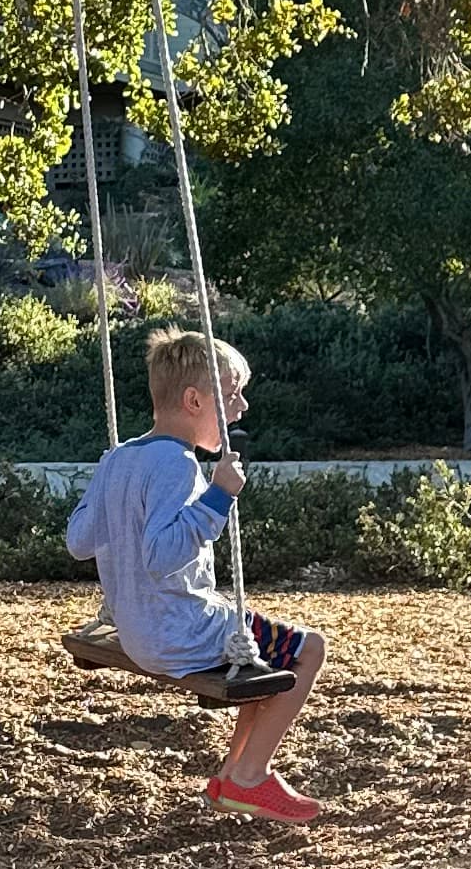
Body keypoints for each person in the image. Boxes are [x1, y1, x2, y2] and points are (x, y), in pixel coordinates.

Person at [65, 325, 330, 824]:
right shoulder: (177, 464)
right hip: (177, 630)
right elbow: (162, 557)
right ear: (193, 400)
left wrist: (103, 487)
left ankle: (237, 775)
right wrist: (219, 494)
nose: (242, 408)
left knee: (264, 663)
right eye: (232, 395)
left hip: (137, 626)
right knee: (309, 649)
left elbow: (78, 542)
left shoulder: (121, 458)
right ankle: (248, 777)